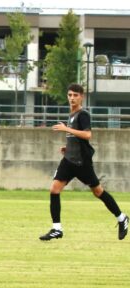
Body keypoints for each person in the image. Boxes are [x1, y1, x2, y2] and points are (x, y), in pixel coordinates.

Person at [40, 83, 128, 241]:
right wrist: (67, 148)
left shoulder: (83, 114)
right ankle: (56, 229)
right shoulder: (72, 114)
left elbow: (87, 135)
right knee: (54, 189)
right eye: (70, 95)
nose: (72, 98)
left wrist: (66, 129)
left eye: (75, 95)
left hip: (81, 163)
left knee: (98, 192)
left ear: (82, 97)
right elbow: (76, 137)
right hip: (68, 160)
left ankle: (122, 218)